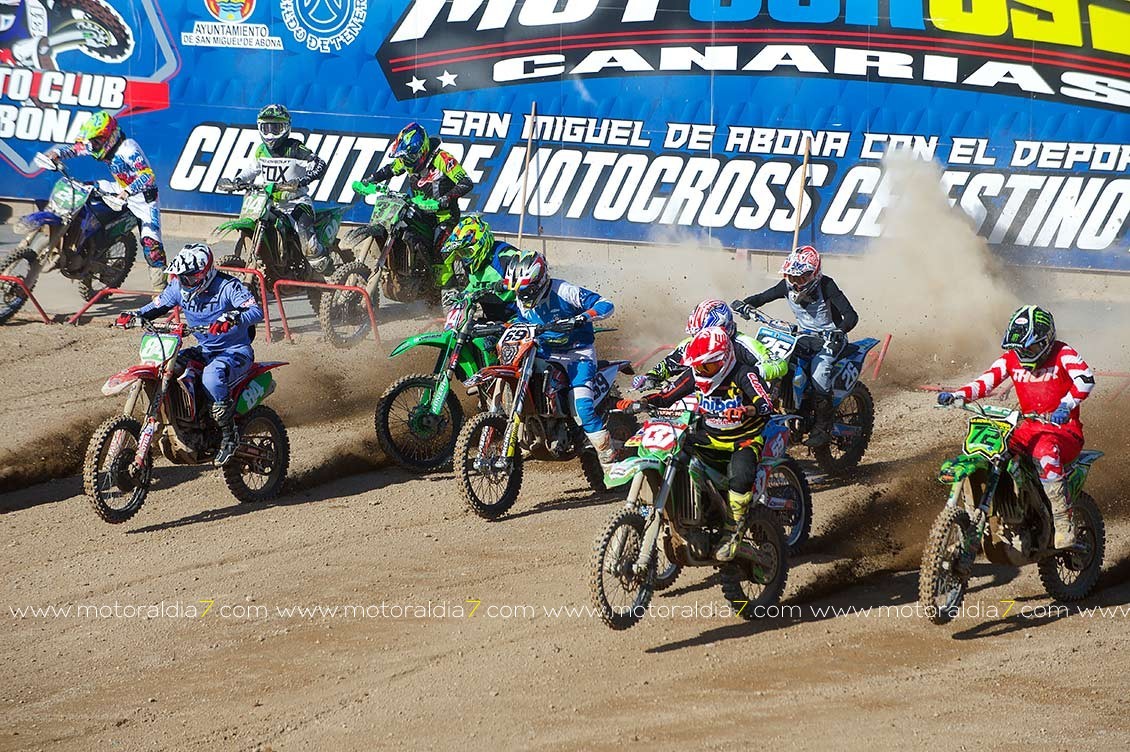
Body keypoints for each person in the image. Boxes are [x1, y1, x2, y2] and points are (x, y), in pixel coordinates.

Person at [937, 305, 1094, 548]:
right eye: (1019, 348)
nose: (1023, 353)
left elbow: (1085, 379)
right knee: (992, 450)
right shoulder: (1011, 359)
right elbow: (986, 382)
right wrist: (957, 395)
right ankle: (986, 515)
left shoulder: (1063, 353)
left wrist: (1066, 404)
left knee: (1044, 452)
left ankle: (1064, 521)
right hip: (1029, 428)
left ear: (1045, 341)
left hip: (1064, 431)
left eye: (1029, 347)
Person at [622, 326, 776, 561]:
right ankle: (683, 511)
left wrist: (746, 410)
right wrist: (639, 402)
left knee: (740, 479)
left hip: (742, 441)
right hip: (708, 437)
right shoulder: (696, 374)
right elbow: (667, 395)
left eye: (708, 366)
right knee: (672, 453)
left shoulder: (744, 373)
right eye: (699, 366)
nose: (703, 371)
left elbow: (765, 403)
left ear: (725, 358)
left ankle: (733, 530)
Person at [117, 243, 264, 466]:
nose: (185, 282)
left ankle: (229, 435)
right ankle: (183, 421)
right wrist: (134, 314)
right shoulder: (178, 287)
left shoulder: (228, 286)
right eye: (182, 277)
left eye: (189, 277)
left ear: (204, 273)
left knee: (212, 377)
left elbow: (255, 310)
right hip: (205, 350)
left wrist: (232, 318)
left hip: (234, 352)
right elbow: (157, 305)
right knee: (168, 367)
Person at [502, 250, 617, 468]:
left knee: (582, 408)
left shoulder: (564, 290)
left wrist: (582, 318)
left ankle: (609, 460)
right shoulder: (521, 298)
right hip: (542, 352)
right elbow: (520, 320)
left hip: (576, 355)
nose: (523, 296)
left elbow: (605, 304)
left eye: (527, 290)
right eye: (518, 291)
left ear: (540, 279)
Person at [734, 245, 857, 447]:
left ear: (815, 274)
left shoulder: (827, 286)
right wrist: (745, 304)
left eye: (801, 278)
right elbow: (763, 297)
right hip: (804, 337)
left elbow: (851, 316)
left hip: (831, 338)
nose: (796, 282)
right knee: (778, 362)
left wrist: (840, 330)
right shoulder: (786, 286)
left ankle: (823, 427)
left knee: (819, 374)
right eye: (792, 277)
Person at [43, 110, 167, 292]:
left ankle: (160, 292)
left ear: (110, 136)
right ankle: (80, 242)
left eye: (96, 140)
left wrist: (129, 191)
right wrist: (57, 153)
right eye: (92, 140)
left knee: (151, 244)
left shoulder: (129, 149)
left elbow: (148, 176)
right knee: (81, 189)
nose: (93, 145)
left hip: (143, 199)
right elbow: (78, 148)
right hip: (119, 187)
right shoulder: (98, 144)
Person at [230, 104, 331, 273]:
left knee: (308, 241)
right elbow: (252, 170)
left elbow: (318, 163)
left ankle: (327, 271)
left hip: (296, 202)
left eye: (276, 128)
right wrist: (237, 180)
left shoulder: (295, 148)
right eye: (266, 127)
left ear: (286, 127)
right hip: (270, 204)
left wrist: (305, 179)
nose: (270, 133)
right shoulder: (261, 150)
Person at [362, 121, 473, 260]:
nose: (406, 161)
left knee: (439, 254)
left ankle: (445, 281)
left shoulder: (443, 159)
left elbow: (466, 182)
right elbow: (390, 169)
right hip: (420, 212)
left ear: (423, 150)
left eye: (410, 157)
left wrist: (443, 200)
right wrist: (371, 180)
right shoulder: (407, 159)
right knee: (399, 228)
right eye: (404, 158)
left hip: (444, 216)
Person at [632, 299, 787, 391]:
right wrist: (650, 377)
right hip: (702, 398)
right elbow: (668, 364)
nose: (700, 339)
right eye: (697, 335)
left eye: (703, 334)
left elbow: (779, 365)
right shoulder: (690, 345)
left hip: (738, 400)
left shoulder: (744, 344)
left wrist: (749, 373)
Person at [437, 215, 519, 322]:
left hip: (517, 319)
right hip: (493, 321)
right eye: (461, 253)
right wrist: (459, 297)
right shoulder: (472, 267)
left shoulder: (506, 257)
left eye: (467, 252)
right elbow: (474, 285)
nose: (465, 257)